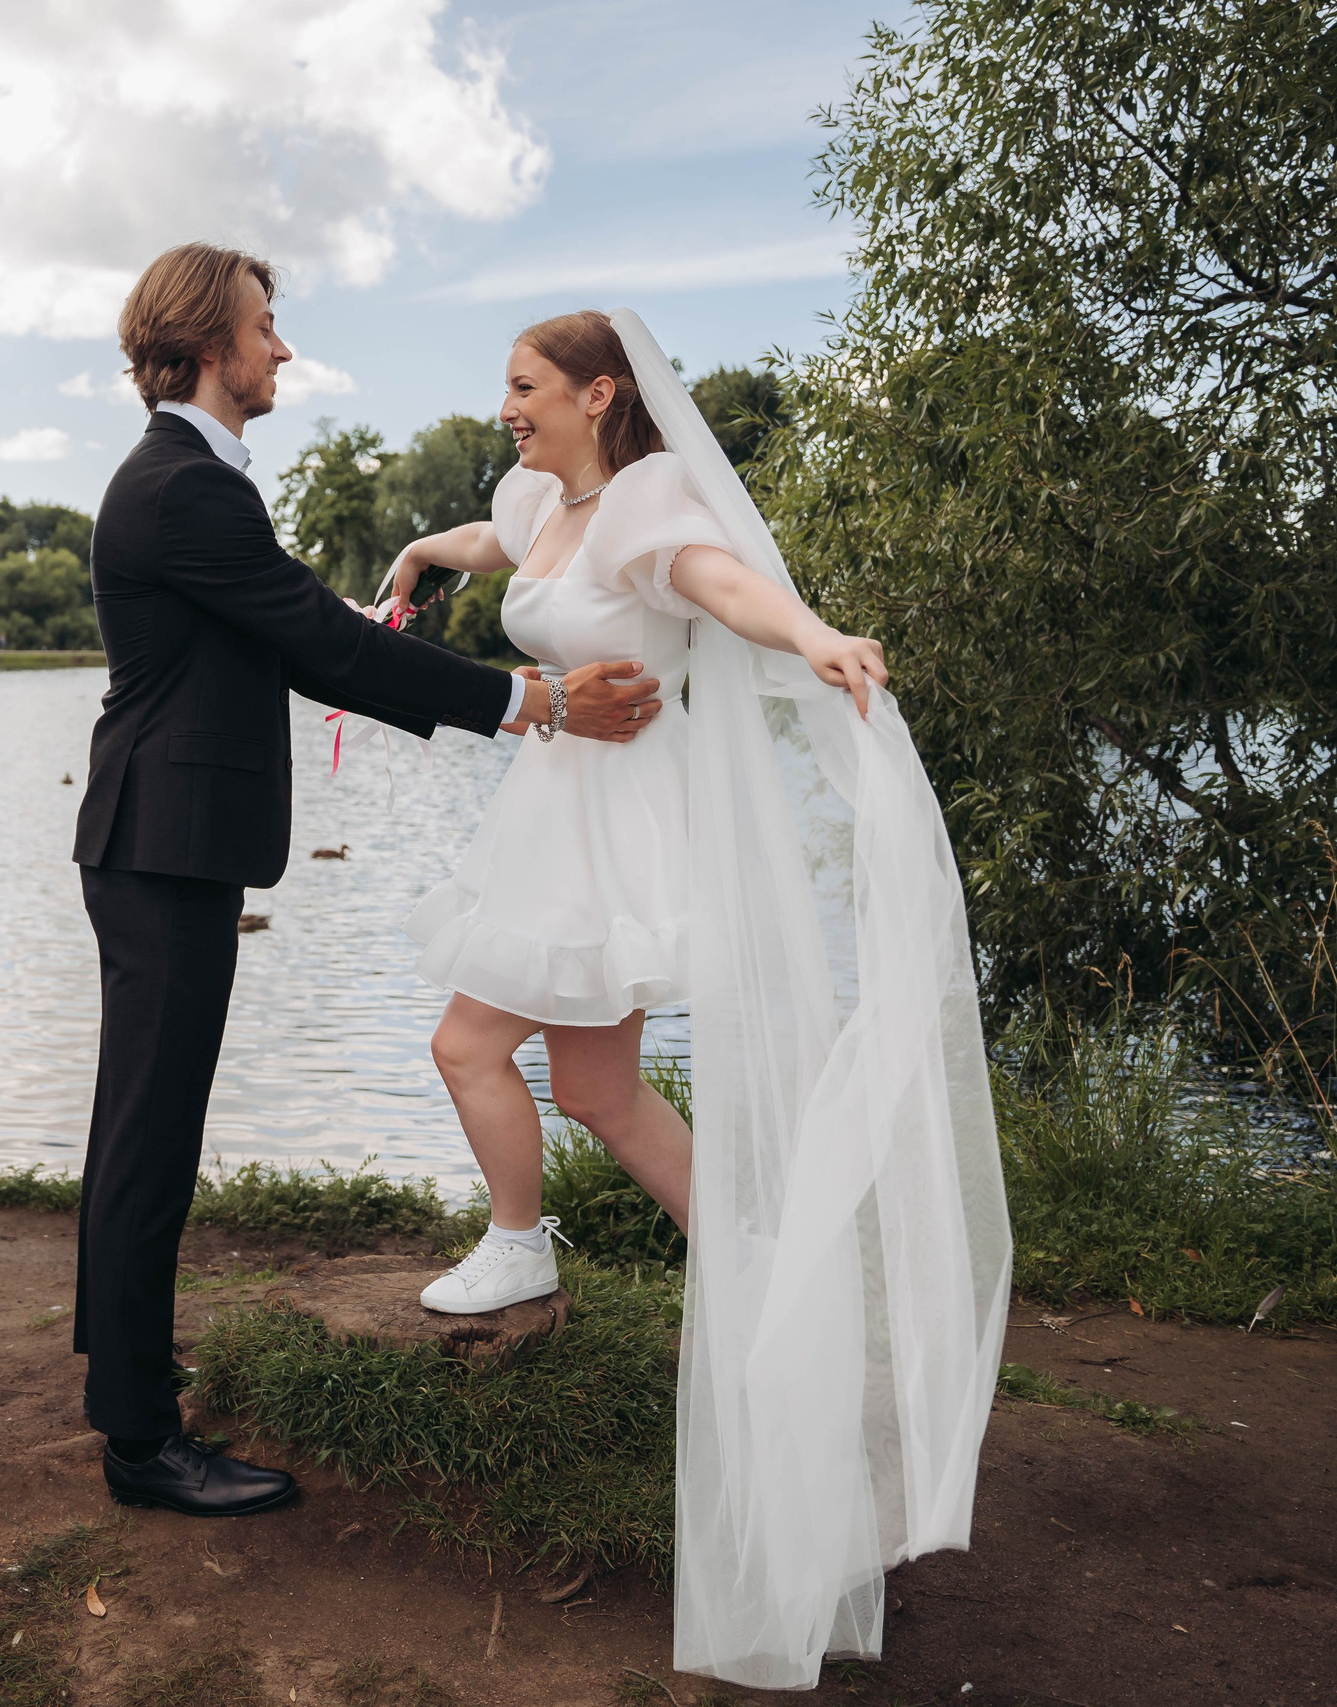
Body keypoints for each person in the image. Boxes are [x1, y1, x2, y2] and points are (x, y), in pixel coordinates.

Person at [386, 309, 1010, 1689]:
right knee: (600, 1087)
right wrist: (428, 553)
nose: (506, 406)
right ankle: (759, 1252)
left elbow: (725, 586)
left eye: (525, 386)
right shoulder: (544, 495)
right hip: (554, 817)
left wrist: (817, 632)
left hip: (609, 830)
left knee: (462, 1041)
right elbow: (510, 550)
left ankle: (518, 1238)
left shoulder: (656, 496)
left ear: (602, 391)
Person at [70, 246, 665, 1519]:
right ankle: (138, 1442)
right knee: (147, 1141)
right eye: (264, 329)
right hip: (160, 845)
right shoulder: (185, 490)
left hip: (164, 843)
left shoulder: (193, 483)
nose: (281, 350)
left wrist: (422, 631)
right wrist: (532, 702)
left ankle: (126, 1381)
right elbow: (317, 641)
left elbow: (305, 645)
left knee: (146, 1132)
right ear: (205, 343)